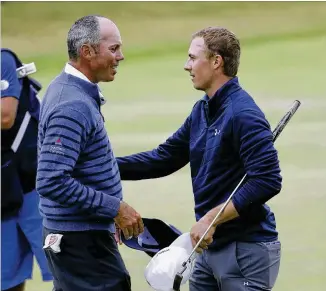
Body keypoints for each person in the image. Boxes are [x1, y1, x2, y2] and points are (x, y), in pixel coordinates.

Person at [116, 27, 282, 291]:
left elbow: (267, 180)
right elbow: (166, 157)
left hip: (245, 251)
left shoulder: (244, 115)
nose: (187, 65)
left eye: (193, 58)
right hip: (209, 248)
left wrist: (210, 219)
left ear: (216, 62)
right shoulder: (202, 109)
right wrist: (105, 166)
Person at [36, 15, 144, 291]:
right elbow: (51, 180)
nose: (121, 56)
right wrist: (115, 208)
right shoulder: (72, 105)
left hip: (78, 237)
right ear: (87, 51)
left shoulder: (68, 89)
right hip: (79, 241)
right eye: (114, 49)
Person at [1, 48, 53, 291]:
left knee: (62, 269)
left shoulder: (3, 59)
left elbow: (5, 116)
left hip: (34, 182)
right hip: (4, 188)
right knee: (6, 279)